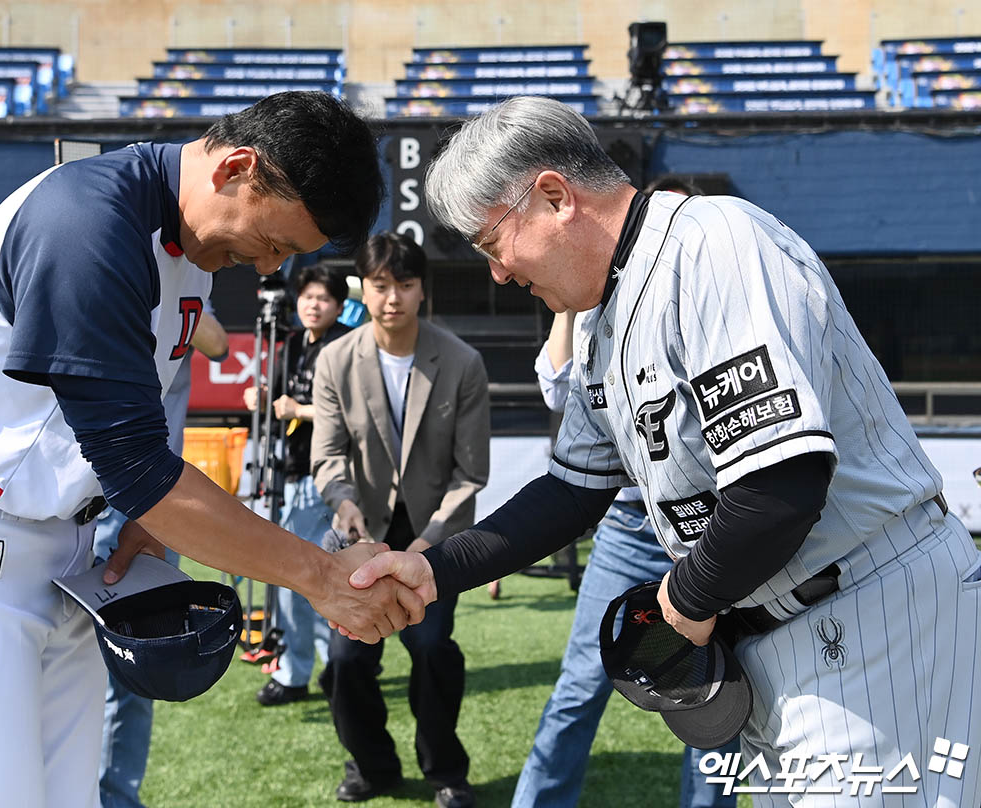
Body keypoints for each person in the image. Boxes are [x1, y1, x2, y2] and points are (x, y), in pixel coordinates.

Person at [351, 96, 981, 806]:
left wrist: (680, 606)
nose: (497, 272)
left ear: (554, 195)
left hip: (874, 609)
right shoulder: (600, 318)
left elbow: (782, 485)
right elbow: (572, 490)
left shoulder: (714, 243)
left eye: (493, 243)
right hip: (776, 629)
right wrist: (434, 571)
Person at [0, 92, 424, 808]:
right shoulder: (86, 221)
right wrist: (321, 576)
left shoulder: (185, 235)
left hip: (68, 552)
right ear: (237, 168)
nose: (271, 269)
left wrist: (152, 518)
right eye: (278, 243)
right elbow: (137, 467)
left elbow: (134, 432)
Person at [513, 306, 737, 808]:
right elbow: (555, 388)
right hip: (629, 527)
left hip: (713, 529)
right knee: (579, 687)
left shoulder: (693, 280)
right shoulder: (593, 297)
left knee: (715, 694)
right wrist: (569, 305)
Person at [311, 232, 489, 808]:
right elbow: (328, 454)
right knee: (345, 659)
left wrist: (430, 539)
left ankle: (445, 770)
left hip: (434, 540)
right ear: (363, 287)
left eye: (405, 285)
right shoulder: (335, 359)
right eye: (381, 285)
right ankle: (372, 765)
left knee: (434, 649)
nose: (393, 298)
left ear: (421, 289)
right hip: (360, 537)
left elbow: (470, 474)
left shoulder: (462, 362)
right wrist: (343, 502)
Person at [93, 306, 227, 808]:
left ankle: (117, 797)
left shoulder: (187, 269)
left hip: (153, 510)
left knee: (134, 667)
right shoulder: (104, 262)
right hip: (67, 504)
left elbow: (218, 343)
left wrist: (180, 310)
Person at [244, 264, 351, 706]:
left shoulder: (348, 344)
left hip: (331, 475)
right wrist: (263, 399)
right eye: (307, 296)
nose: (313, 305)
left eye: (323, 298)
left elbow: (355, 412)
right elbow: (277, 398)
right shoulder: (288, 344)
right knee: (301, 574)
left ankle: (308, 671)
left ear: (341, 306)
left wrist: (300, 410)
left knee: (309, 575)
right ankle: (316, 669)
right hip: (288, 472)